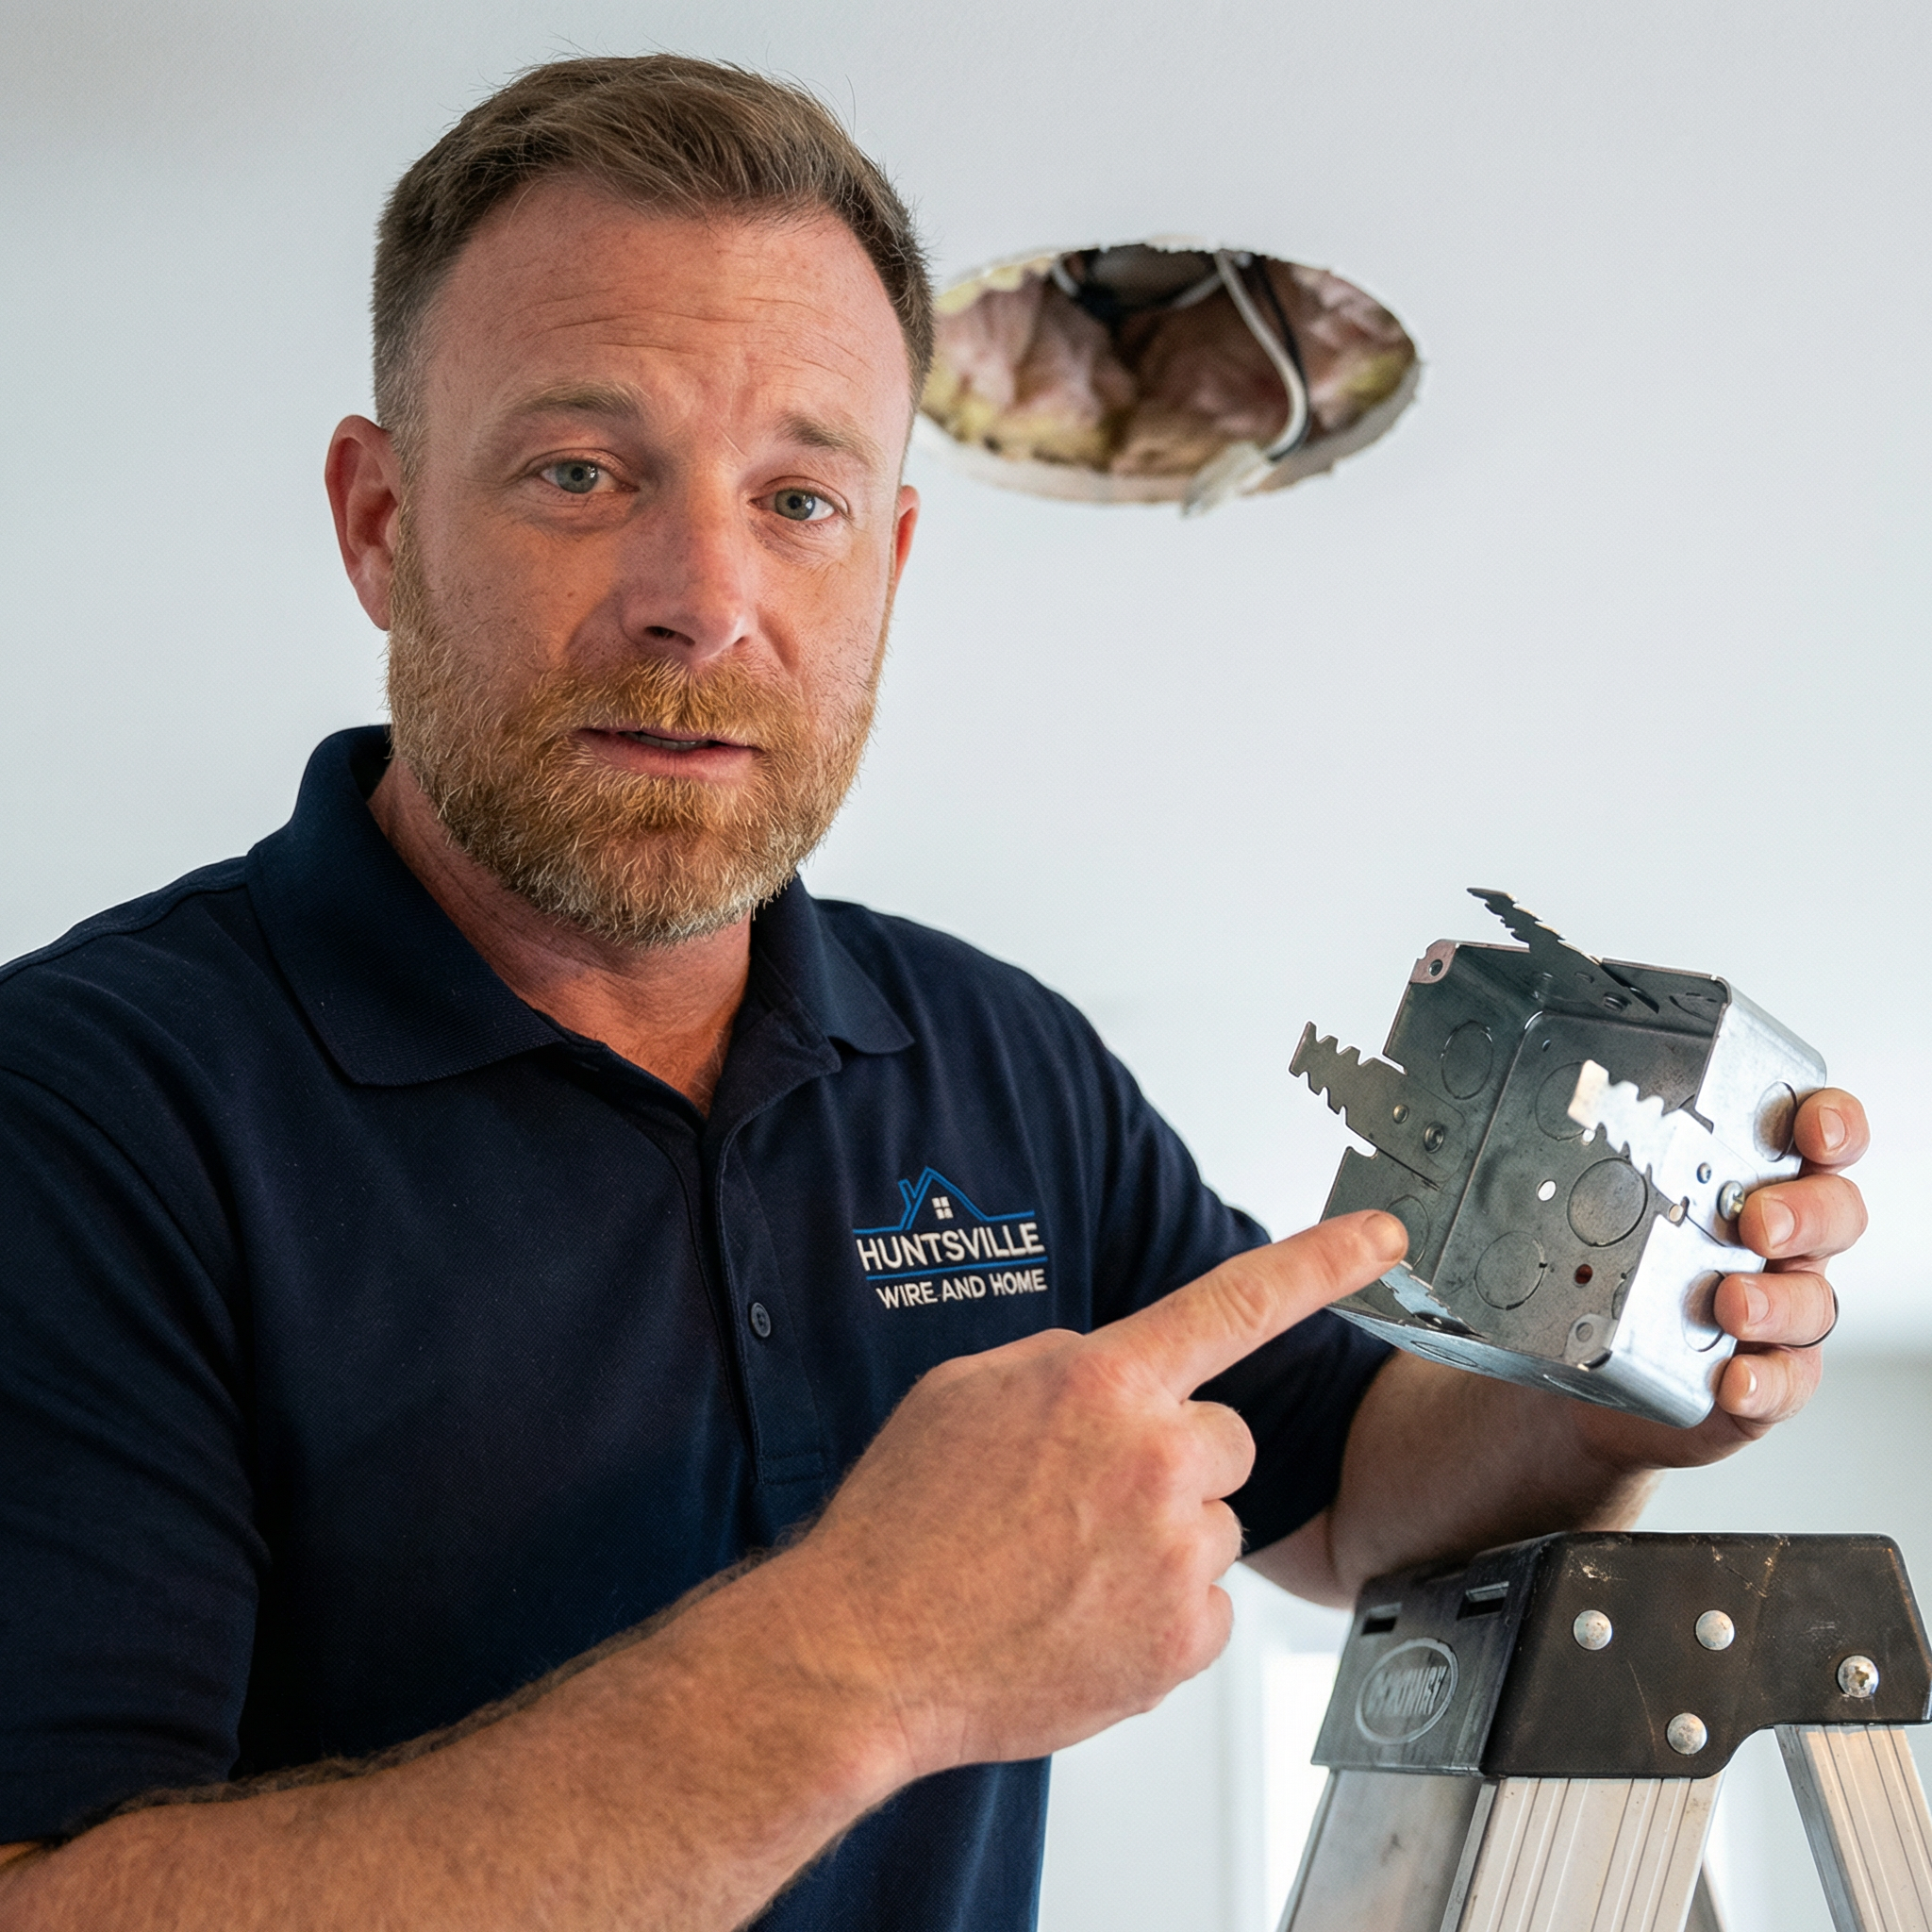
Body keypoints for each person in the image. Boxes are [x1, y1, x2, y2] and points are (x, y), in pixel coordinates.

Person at [0, 54, 1867, 1932]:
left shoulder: (994, 1064)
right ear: (380, 523)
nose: (704, 598)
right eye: (581, 472)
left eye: (799, 498)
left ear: (886, 564)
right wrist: (865, 1658)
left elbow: (1349, 1499)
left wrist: (1618, 1386)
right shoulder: (84, 1113)